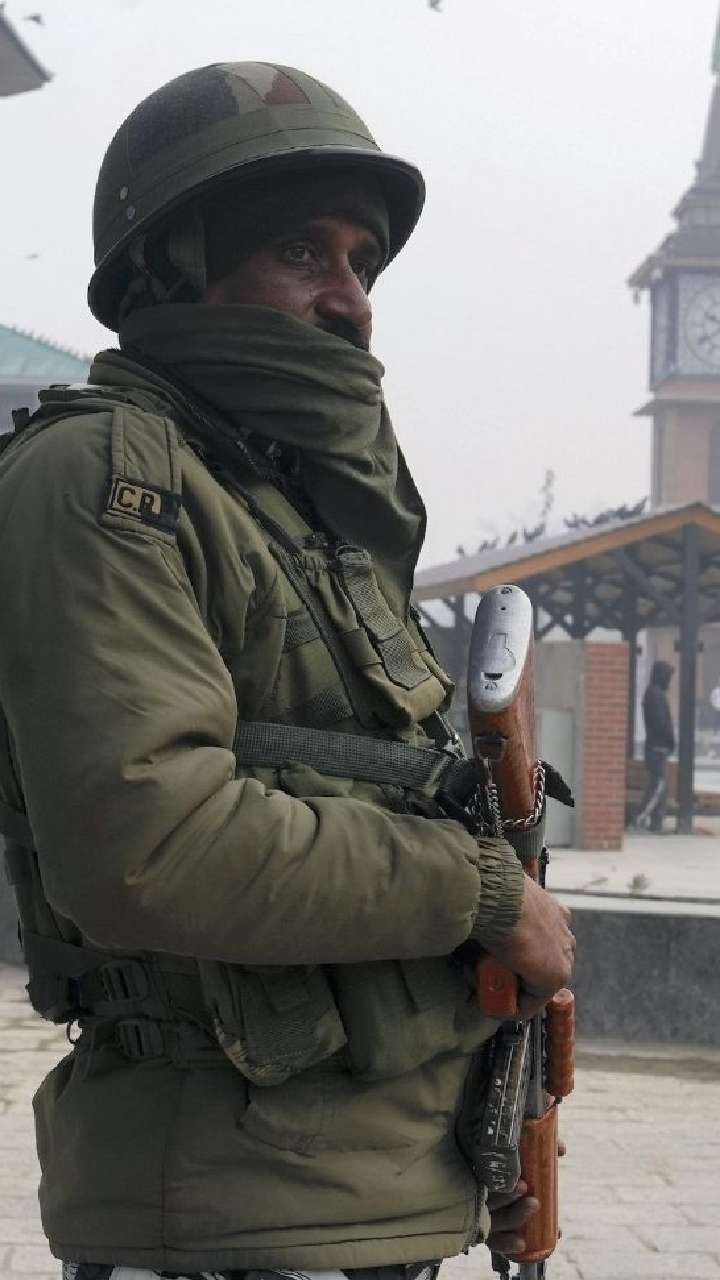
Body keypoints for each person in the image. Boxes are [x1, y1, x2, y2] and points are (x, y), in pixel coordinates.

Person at [0, 64, 575, 1280]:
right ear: (172, 273)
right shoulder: (107, 478)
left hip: (362, 1196)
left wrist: (484, 1136)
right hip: (231, 1216)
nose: (351, 300)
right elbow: (152, 844)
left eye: (363, 263)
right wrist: (483, 891)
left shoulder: (287, 504)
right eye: (301, 253)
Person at [636, 660, 675, 832]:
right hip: (658, 747)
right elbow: (661, 723)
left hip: (657, 747)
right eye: (668, 676)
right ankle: (640, 818)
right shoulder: (656, 695)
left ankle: (656, 823)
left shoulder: (654, 693)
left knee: (659, 787)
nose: (670, 681)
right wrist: (670, 739)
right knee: (657, 787)